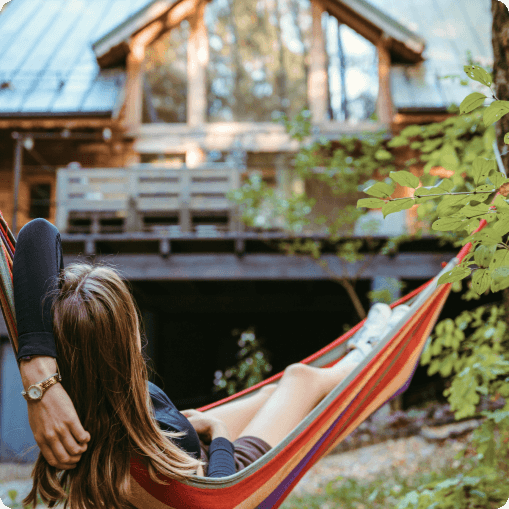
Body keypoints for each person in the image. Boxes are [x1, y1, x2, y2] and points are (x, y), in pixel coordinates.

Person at [15, 218, 373, 509]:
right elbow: (218, 500)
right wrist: (219, 433)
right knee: (299, 380)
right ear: (127, 342)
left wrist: (39, 374)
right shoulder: (132, 470)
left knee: (273, 391)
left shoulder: (75, 394)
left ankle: (360, 353)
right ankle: (367, 354)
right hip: (225, 471)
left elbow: (37, 233)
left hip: (165, 434)